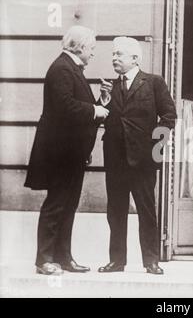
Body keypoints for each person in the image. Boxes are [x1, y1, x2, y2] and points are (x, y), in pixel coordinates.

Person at [24, 25, 109, 275]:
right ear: (80, 47)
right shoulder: (62, 69)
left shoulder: (69, 68)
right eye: (91, 48)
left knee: (68, 203)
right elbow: (65, 107)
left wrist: (101, 101)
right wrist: (96, 110)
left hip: (70, 152)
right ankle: (44, 260)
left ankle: (62, 257)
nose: (93, 53)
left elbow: (75, 108)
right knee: (57, 203)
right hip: (60, 153)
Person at [97, 37, 176, 275]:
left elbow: (169, 116)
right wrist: (103, 100)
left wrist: (154, 148)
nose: (114, 58)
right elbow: (101, 117)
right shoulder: (110, 86)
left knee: (146, 210)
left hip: (143, 160)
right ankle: (117, 260)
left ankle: (151, 261)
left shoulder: (153, 83)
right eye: (113, 54)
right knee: (116, 211)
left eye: (119, 54)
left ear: (135, 58)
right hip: (116, 159)